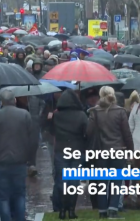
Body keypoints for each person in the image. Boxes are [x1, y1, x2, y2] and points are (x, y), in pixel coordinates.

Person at [87, 86, 133, 219]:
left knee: (101, 182)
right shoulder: (120, 111)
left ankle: (102, 211)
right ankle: (113, 210)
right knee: (116, 181)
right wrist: (130, 150)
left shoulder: (94, 112)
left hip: (100, 151)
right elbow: (126, 133)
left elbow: (89, 132)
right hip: (118, 150)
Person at [52, 89, 87, 219]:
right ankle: (71, 210)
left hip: (61, 151)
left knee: (62, 181)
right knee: (74, 182)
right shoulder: (81, 115)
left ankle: (62, 210)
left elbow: (50, 130)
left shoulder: (56, 115)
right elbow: (87, 132)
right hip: (77, 150)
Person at [0, 90, 33, 221]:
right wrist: (30, 160)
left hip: (1, 162)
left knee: (3, 196)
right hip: (20, 161)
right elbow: (31, 138)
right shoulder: (24, 114)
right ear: (14, 100)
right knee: (19, 194)